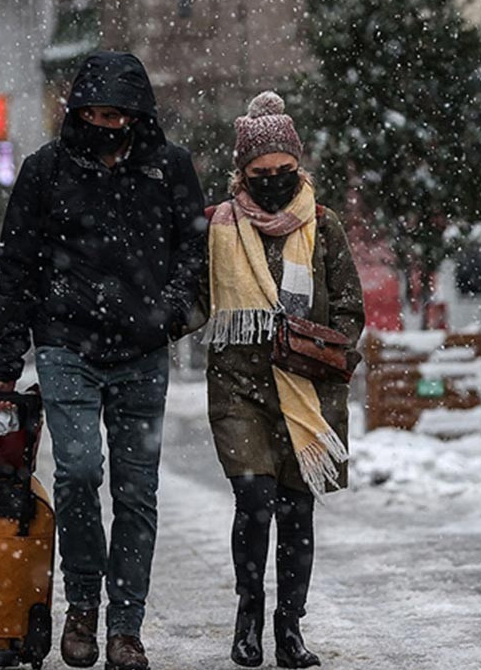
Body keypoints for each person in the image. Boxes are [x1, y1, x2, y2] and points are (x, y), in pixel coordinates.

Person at [0, 51, 206, 670]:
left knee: (137, 492)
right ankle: (81, 605)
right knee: (78, 472)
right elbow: (17, 266)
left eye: (118, 114)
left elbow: (194, 250)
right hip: (66, 347)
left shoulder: (170, 170)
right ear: (77, 110)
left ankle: (125, 627)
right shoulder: (44, 172)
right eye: (95, 112)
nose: (106, 124)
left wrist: (167, 312)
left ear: (138, 116)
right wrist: (6, 359)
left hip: (141, 350)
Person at [196, 91, 365, 668]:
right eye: (260, 173)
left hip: (307, 389)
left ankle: (289, 628)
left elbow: (349, 306)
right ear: (240, 173)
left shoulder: (323, 225)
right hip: (239, 387)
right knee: (254, 500)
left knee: (297, 510)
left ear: (299, 167)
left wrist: (322, 347)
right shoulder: (218, 228)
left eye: (284, 172)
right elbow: (197, 300)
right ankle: (249, 615)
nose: (273, 181)